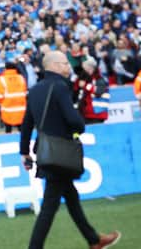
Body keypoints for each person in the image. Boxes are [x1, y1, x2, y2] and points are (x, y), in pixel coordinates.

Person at [20, 51, 120, 249]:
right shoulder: (60, 87)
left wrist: (25, 153)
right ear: (55, 66)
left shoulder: (35, 90)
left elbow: (26, 124)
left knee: (71, 198)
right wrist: (80, 126)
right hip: (61, 154)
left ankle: (93, 239)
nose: (69, 67)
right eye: (65, 63)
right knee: (49, 207)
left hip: (46, 153)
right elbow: (73, 120)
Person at [73, 56, 109, 124]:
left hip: (97, 113)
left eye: (84, 69)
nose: (83, 71)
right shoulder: (84, 78)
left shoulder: (99, 79)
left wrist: (85, 86)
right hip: (86, 113)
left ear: (90, 68)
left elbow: (98, 91)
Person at [0, 61, 27, 133]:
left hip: (7, 109)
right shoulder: (21, 78)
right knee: (22, 131)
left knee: (8, 131)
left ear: (5, 68)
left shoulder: (1, 79)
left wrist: (3, 102)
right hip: (21, 109)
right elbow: (24, 92)